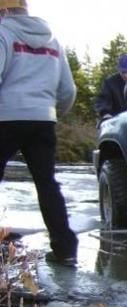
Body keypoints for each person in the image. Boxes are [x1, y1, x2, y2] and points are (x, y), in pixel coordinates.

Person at [0, 0, 78, 266]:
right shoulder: (53, 40)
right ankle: (65, 250)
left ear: (4, 10)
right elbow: (68, 91)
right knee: (47, 184)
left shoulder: (3, 33)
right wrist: (51, 112)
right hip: (43, 121)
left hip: (5, 118)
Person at [95, 54, 127, 122]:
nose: (126, 75)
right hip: (116, 121)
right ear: (118, 70)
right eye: (123, 72)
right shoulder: (109, 82)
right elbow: (102, 100)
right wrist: (105, 113)